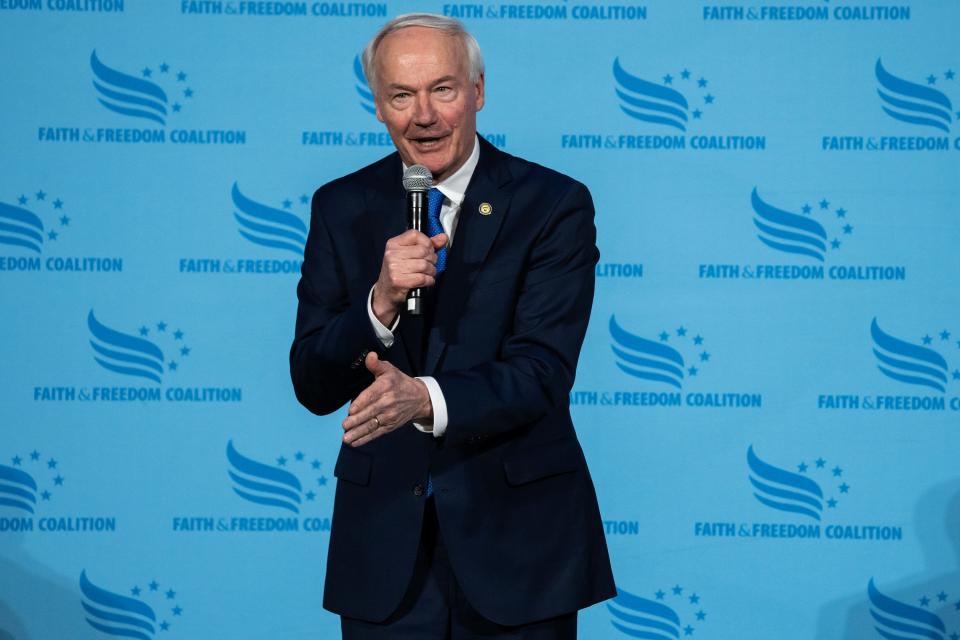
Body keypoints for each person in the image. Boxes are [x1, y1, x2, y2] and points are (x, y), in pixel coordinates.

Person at [290, 13, 615, 639]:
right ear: (378, 107)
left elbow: (542, 371)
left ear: (478, 92)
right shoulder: (341, 207)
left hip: (518, 543)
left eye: (442, 89)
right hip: (385, 547)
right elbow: (312, 383)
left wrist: (425, 398)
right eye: (401, 96)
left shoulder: (552, 204)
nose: (424, 115)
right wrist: (378, 302)